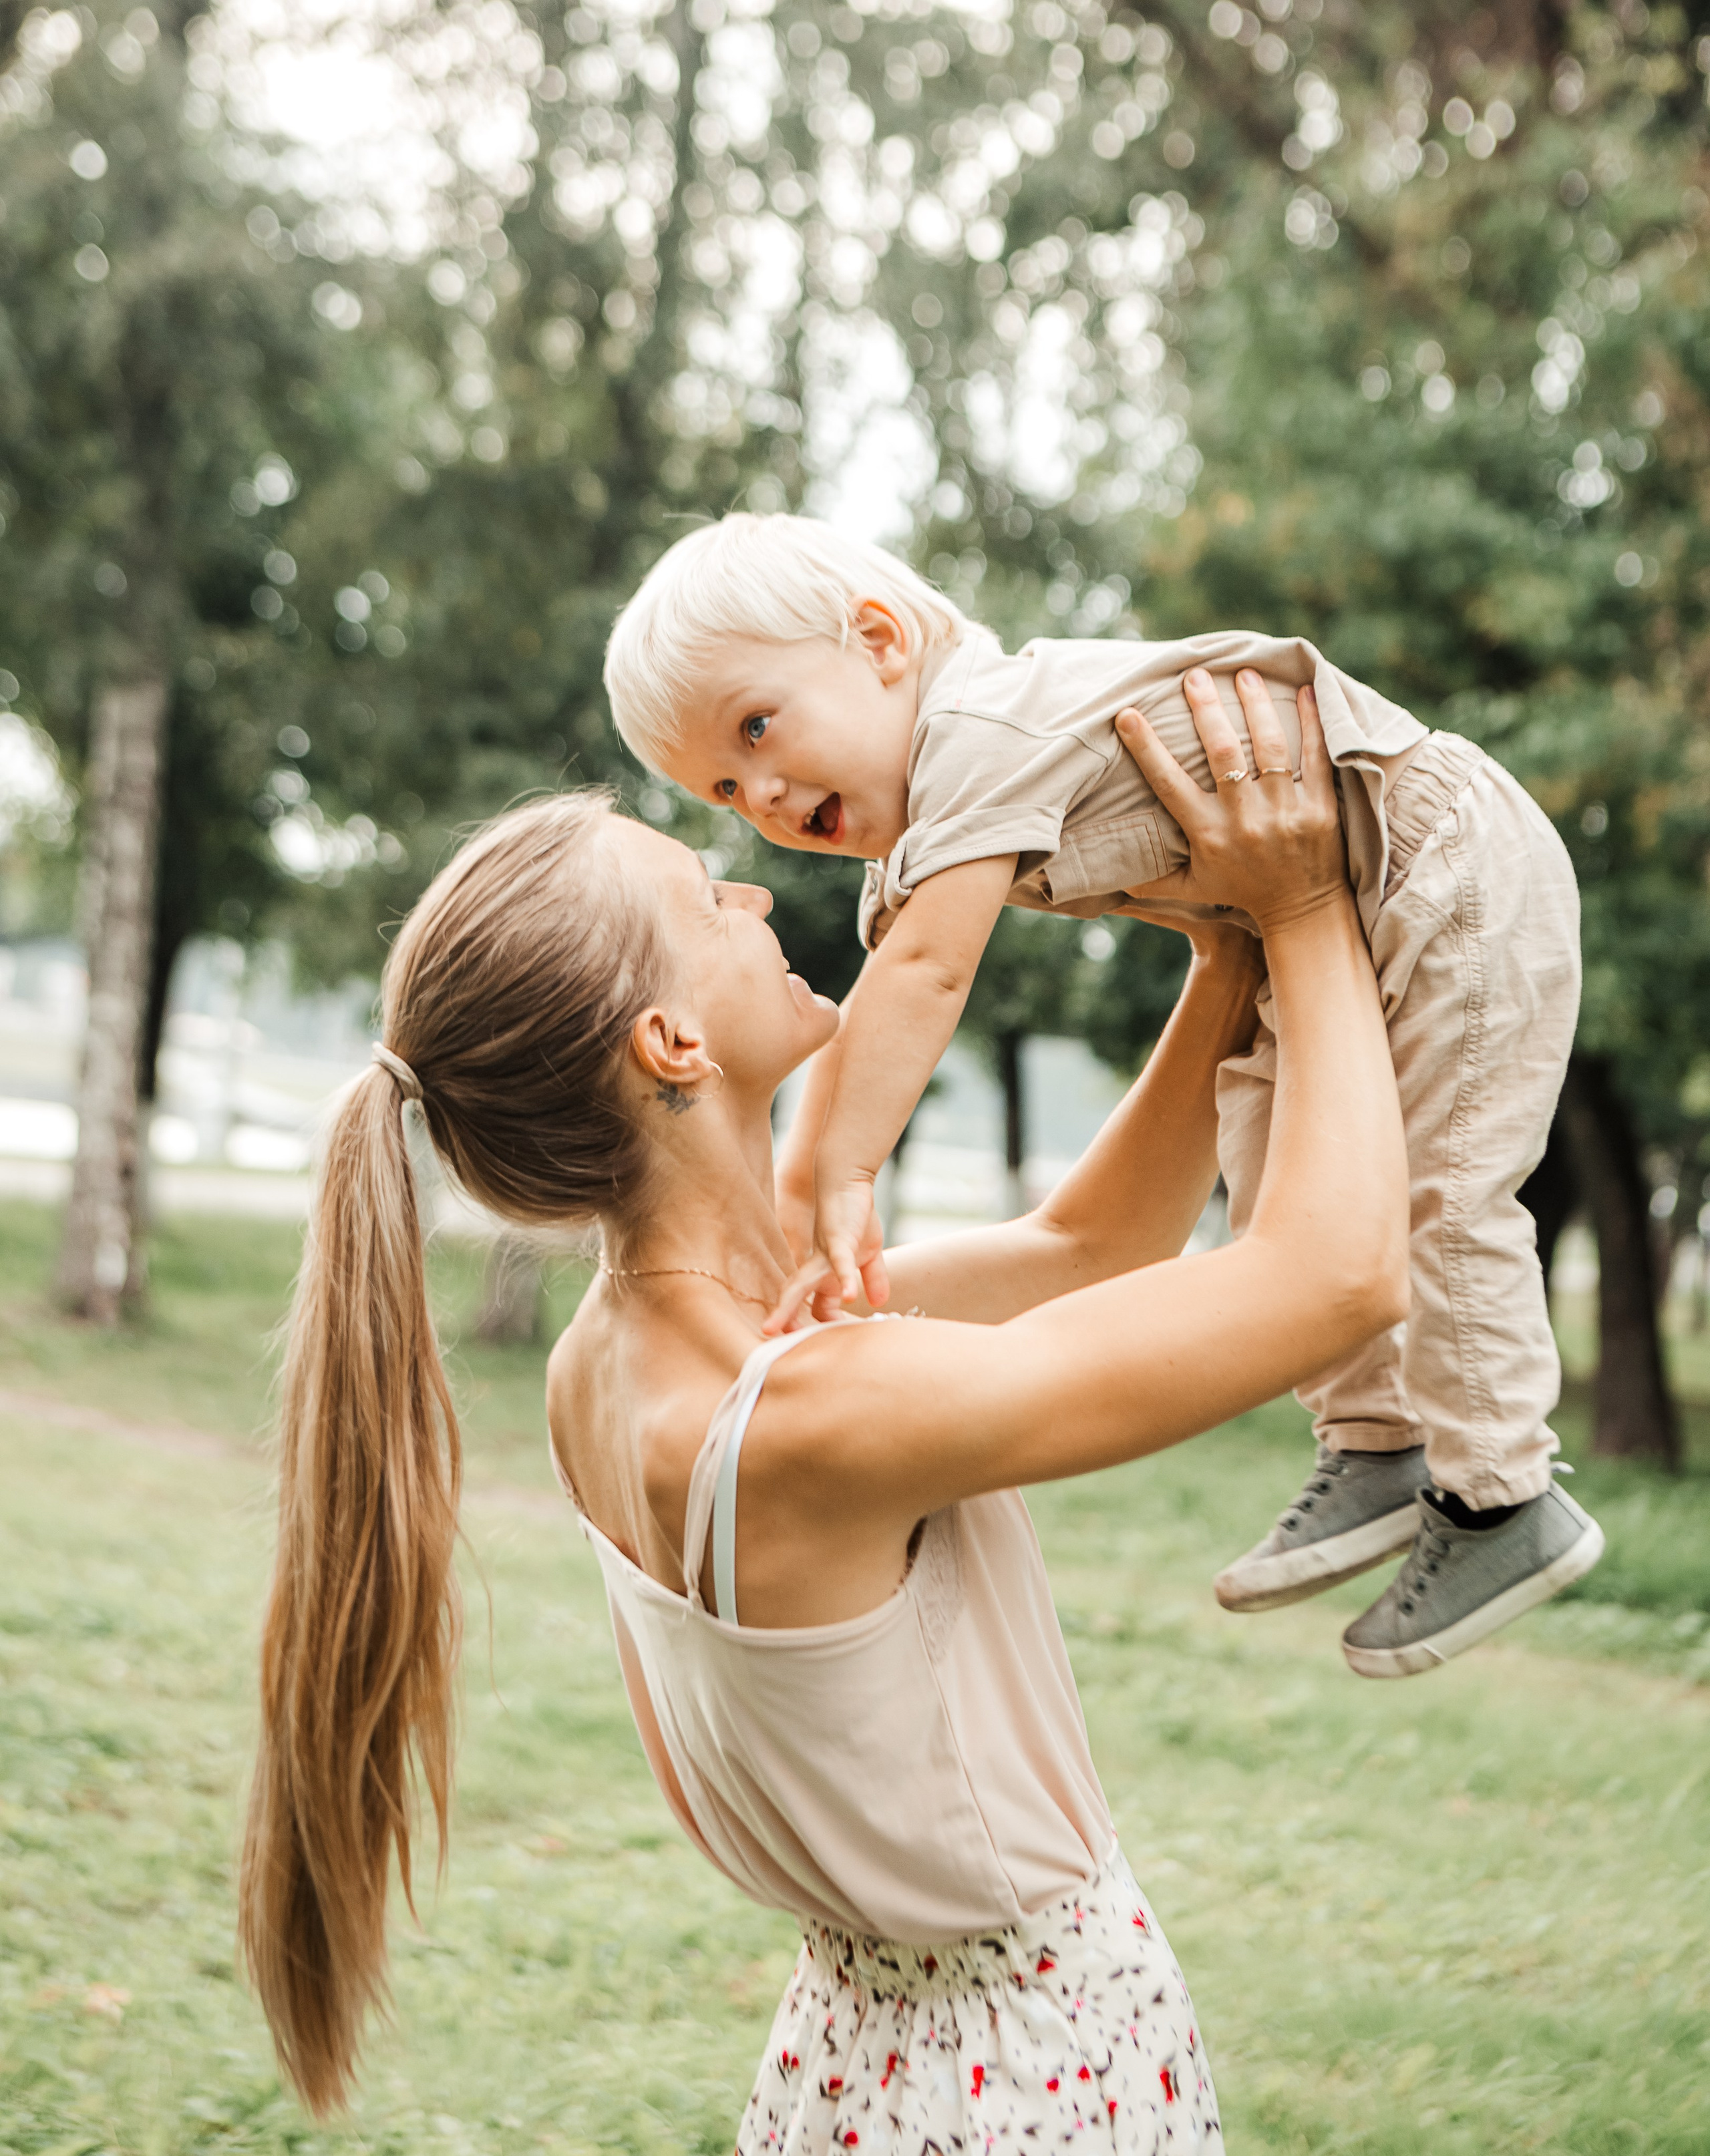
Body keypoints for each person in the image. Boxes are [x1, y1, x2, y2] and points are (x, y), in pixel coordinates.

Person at [241, 676, 1404, 2146]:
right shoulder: (801, 1414)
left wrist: (1224, 950)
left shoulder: (630, 1352)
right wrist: (1307, 916)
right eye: (699, 900)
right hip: (1024, 2072)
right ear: (671, 1045)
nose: (745, 890)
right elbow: (1338, 1274)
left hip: (870, 2053)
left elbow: (1084, 1255)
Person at [602, 512, 1603, 1680]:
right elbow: (880, 1001)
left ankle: (1502, 1493)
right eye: (724, 786)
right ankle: (1378, 1444)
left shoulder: (973, 737)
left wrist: (849, 1178)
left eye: (758, 729)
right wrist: (809, 1203)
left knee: (1438, 1188)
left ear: (879, 643)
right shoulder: (923, 830)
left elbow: (927, 977)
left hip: (1437, 858)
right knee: (1269, 1157)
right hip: (1321, 905)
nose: (760, 799)